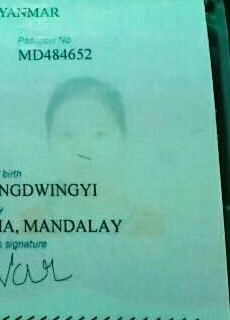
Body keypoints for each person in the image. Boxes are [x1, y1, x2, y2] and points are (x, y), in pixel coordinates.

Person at [19, 77, 163, 238]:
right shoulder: (26, 223)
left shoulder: (149, 224)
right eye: (67, 135)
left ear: (124, 141)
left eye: (99, 134)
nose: (83, 150)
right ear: (48, 144)